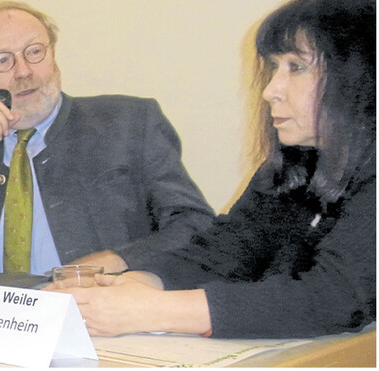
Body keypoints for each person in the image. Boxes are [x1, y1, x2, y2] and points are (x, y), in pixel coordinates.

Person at [53, 0, 375, 339]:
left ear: (360, 75)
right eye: (273, 67)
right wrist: (136, 283)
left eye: (296, 67)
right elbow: (225, 250)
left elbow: (336, 296)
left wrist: (154, 310)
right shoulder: (294, 166)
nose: (270, 91)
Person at [0, 1, 213, 276]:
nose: (23, 71)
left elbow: (195, 224)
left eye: (34, 52)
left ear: (53, 55)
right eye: (2, 61)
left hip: (102, 300)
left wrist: (122, 259)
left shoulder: (129, 123)